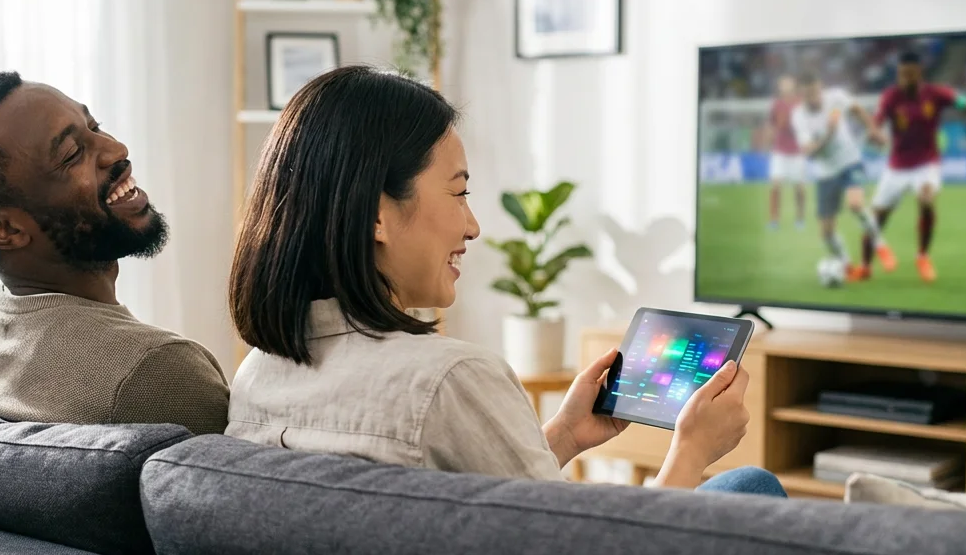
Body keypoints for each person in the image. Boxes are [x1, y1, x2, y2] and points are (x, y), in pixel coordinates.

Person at [226, 66, 783, 495]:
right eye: (459, 191)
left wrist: (563, 435)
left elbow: (481, 510)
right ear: (376, 215)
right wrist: (691, 450)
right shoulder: (451, 379)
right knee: (748, 485)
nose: (472, 225)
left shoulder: (258, 375)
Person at [0, 71, 229, 434]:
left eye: (95, 126)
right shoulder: (155, 370)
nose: (117, 149)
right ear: (5, 229)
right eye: (72, 154)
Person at [865, 51, 966, 282]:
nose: (905, 79)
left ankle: (922, 257)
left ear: (920, 72)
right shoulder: (890, 96)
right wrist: (875, 134)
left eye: (910, 74)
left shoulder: (936, 93)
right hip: (896, 167)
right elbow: (876, 122)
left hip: (926, 164)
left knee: (926, 200)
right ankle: (865, 267)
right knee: (877, 219)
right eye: (902, 74)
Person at [791, 72, 887, 281]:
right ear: (801, 95)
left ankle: (880, 244)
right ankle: (845, 263)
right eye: (808, 95)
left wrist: (873, 130)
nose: (813, 98)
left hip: (850, 161)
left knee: (855, 203)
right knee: (826, 232)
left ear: (820, 87)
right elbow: (808, 151)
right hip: (825, 173)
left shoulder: (835, 97)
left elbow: (858, 110)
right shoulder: (799, 116)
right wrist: (829, 133)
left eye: (815, 92)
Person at [766, 75, 806, 230]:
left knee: (799, 187)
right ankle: (774, 220)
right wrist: (770, 139)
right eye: (783, 84)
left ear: (794, 86)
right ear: (780, 87)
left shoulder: (800, 103)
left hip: (797, 151)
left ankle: (800, 218)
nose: (786, 86)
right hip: (780, 151)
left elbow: (805, 123)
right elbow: (772, 124)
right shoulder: (776, 104)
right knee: (775, 185)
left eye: (788, 83)